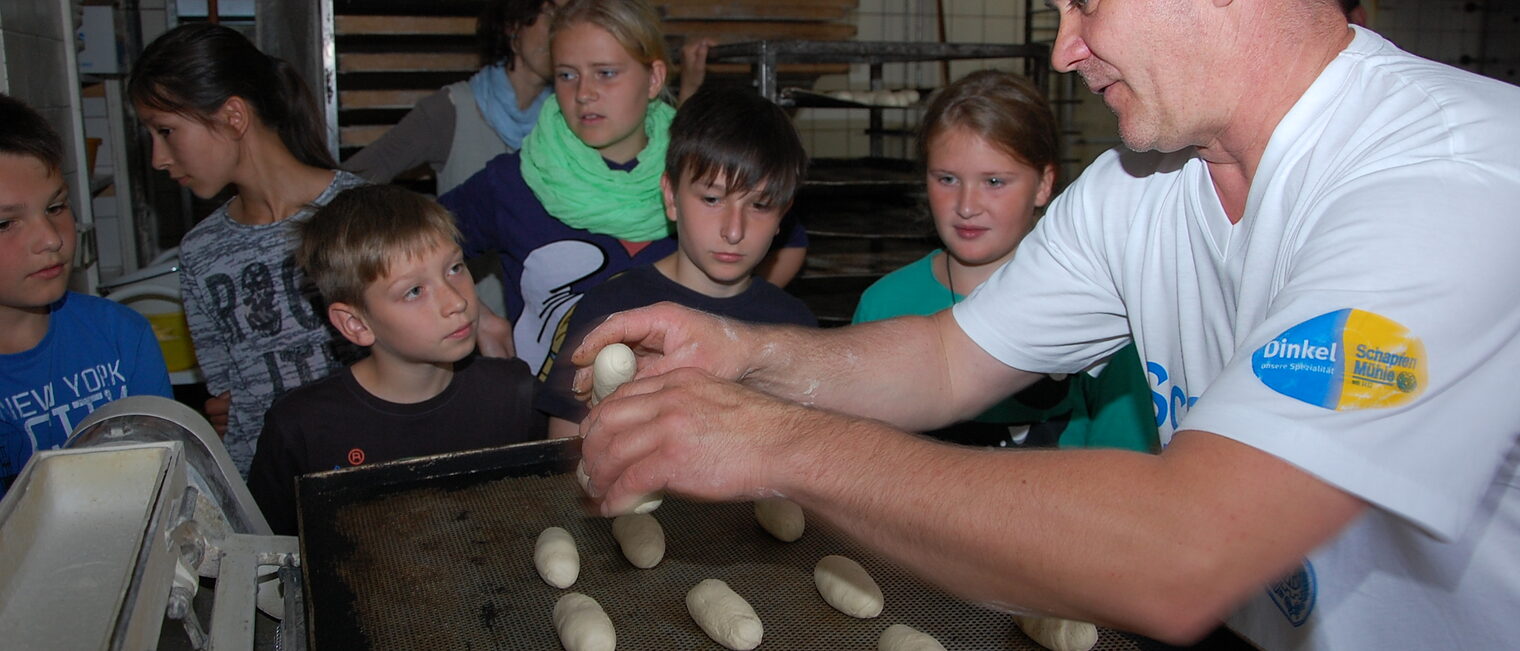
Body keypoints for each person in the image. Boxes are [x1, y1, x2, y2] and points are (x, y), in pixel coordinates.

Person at [566, 2, 1520, 649]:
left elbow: (1186, 548)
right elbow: (947, 358)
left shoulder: (1452, 178)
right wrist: (748, 353)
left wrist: (781, 445)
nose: (1065, 49)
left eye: (1088, 3)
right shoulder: (1142, 188)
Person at [440, 0, 808, 379]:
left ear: (653, 78)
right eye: (567, 75)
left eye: (606, 73)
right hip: (549, 414)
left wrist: (734, 320)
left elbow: (791, 240)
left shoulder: (704, 175)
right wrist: (475, 314)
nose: (584, 93)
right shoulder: (514, 181)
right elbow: (414, 244)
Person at [852, 70, 1154, 452]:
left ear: (1044, 184)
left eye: (994, 182)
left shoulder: (1097, 310)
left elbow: (1124, 459)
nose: (966, 206)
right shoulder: (884, 304)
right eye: (946, 179)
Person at [128, 23, 370, 476]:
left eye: (166, 131)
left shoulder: (364, 214)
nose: (159, 158)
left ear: (233, 116)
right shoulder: (200, 251)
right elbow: (229, 397)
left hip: (364, 466)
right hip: (264, 485)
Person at [247, 186, 546, 535]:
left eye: (455, 267)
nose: (456, 302)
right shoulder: (302, 428)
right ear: (356, 324)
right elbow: (265, 555)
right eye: (414, 291)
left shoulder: (513, 392)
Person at [536, 86, 815, 438]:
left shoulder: (796, 328)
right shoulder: (611, 311)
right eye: (712, 198)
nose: (733, 230)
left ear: (783, 215)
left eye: (759, 205)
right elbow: (562, 452)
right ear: (671, 196)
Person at [0, 94, 173, 497]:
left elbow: (163, 479)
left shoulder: (121, 335)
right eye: (5, 223)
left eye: (57, 207)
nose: (50, 238)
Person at [342, 0, 562, 194]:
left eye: (570, 19)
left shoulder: (568, 116)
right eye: (553, 16)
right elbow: (347, 181)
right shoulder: (450, 110)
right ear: (513, 25)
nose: (562, 32)